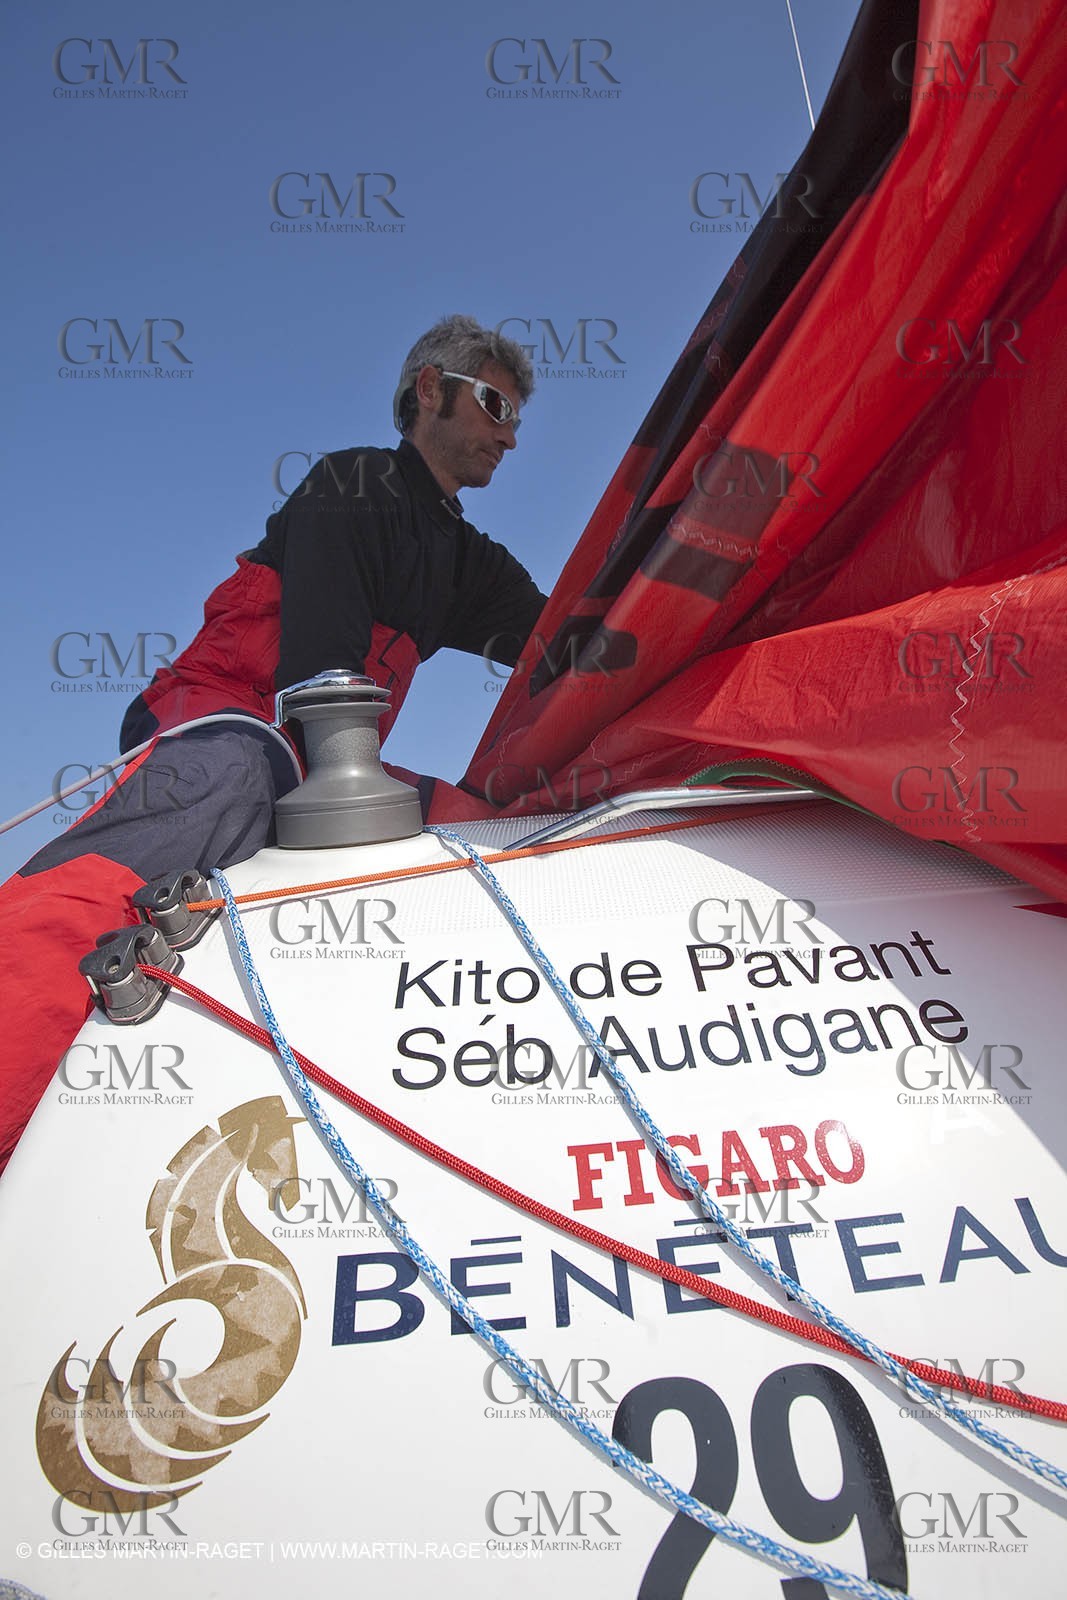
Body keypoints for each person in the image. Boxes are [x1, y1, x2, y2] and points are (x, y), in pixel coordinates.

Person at [0, 314, 549, 1176]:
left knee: (494, 820)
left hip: (325, 759)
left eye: (517, 417)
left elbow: (569, 644)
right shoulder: (349, 482)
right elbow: (316, 684)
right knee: (228, 780)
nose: (509, 435)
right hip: (224, 720)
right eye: (493, 404)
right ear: (430, 391)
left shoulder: (471, 562)